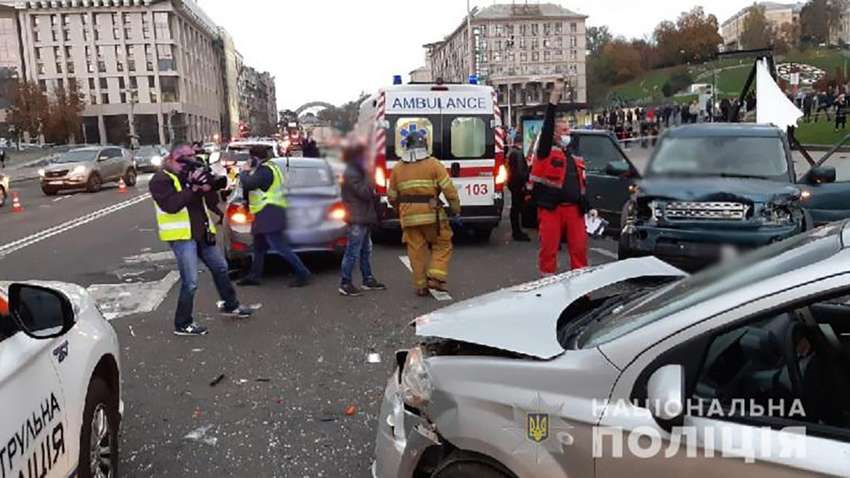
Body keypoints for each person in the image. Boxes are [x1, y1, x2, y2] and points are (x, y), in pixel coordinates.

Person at [149, 144, 255, 336]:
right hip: (182, 237)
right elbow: (171, 205)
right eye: (184, 158)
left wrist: (209, 187)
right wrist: (194, 188)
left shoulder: (192, 174)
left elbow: (212, 199)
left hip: (202, 232)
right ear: (172, 158)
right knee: (190, 281)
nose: (189, 161)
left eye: (192, 156)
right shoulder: (161, 180)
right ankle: (183, 323)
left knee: (221, 268)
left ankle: (231, 305)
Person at [387, 130, 460, 296]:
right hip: (432, 215)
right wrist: (455, 209)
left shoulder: (398, 168)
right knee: (443, 243)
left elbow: (391, 196)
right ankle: (435, 277)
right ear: (425, 145)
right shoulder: (433, 164)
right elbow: (449, 190)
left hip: (408, 217)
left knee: (416, 250)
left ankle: (421, 286)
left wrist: (398, 210)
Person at [530, 79, 589, 276]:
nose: (568, 133)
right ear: (555, 133)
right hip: (551, 209)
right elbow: (546, 127)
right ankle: (547, 288)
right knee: (549, 251)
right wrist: (554, 99)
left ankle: (582, 293)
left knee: (579, 250)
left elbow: (582, 182)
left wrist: (588, 205)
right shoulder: (546, 150)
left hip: (574, 210)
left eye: (569, 130)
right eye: (564, 130)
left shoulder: (573, 154)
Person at [237, 145, 312, 287]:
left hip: (269, 212)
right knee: (258, 246)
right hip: (265, 212)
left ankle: (303, 273)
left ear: (254, 158)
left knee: (279, 245)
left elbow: (249, 183)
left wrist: (243, 172)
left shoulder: (265, 170)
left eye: (250, 158)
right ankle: (254, 276)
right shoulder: (270, 167)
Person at [338, 137, 386, 296]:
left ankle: (368, 279)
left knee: (366, 250)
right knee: (353, 251)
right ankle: (345, 282)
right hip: (357, 217)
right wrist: (371, 179)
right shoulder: (353, 171)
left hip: (363, 216)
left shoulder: (358, 169)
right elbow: (365, 192)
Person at [506, 134, 530, 241]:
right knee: (517, 208)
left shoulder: (511, 152)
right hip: (518, 184)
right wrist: (525, 182)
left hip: (512, 183)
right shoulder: (518, 153)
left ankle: (516, 231)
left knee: (514, 207)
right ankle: (517, 232)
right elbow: (521, 172)